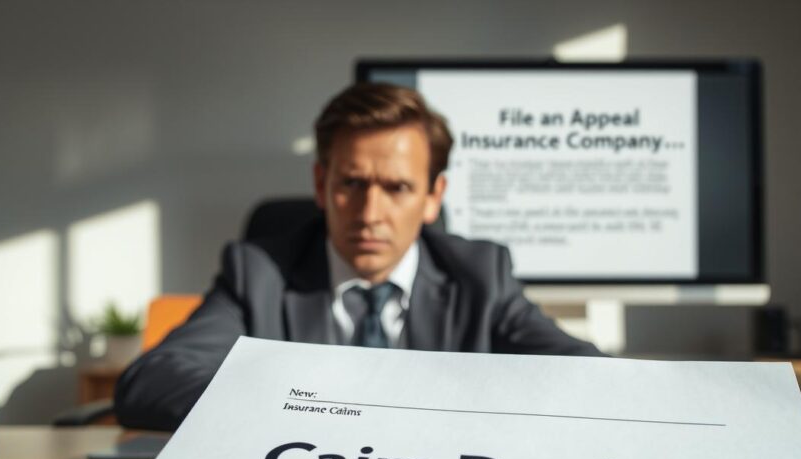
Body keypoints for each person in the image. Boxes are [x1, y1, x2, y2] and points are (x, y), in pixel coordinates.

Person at [115, 82, 602, 431]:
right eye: (351, 184)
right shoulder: (258, 273)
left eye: (397, 188)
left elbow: (588, 377)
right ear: (320, 186)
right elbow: (151, 382)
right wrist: (312, 411)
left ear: (434, 197)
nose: (370, 213)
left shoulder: (481, 276)